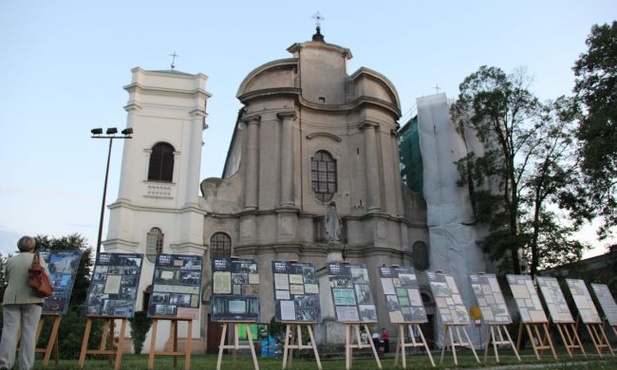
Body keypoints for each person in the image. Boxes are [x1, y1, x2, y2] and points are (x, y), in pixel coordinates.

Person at [0, 236, 50, 370]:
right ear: (33, 247)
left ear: (18, 247)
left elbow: (7, 277)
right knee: (29, 333)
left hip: (11, 298)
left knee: (9, 331)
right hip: (33, 298)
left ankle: (5, 363)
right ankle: (26, 366)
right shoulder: (38, 260)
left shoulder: (10, 261)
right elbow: (46, 277)